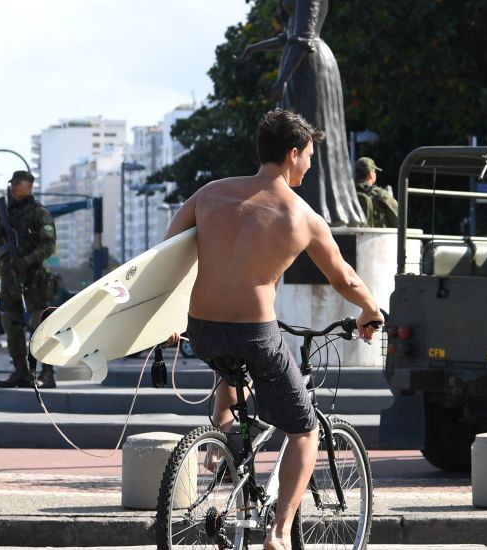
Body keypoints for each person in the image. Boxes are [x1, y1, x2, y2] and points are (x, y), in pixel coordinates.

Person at [163, 110, 383, 550]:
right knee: (304, 429)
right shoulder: (301, 215)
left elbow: (167, 256)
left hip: (202, 330)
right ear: (292, 154)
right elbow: (343, 278)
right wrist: (370, 311)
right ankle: (280, 532)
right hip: (257, 334)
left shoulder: (208, 195)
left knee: (227, 370)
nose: (310, 166)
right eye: (309, 157)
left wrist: (167, 317)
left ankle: (222, 441)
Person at [237, 0, 365, 226]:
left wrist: (281, 80)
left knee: (308, 134)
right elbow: (288, 37)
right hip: (298, 65)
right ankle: (299, 205)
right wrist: (254, 48)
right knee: (294, 135)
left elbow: (305, 38)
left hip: (309, 66)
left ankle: (325, 209)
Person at [0, 170, 57, 389]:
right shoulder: (5, 213)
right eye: (12, 184)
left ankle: (47, 372)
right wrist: (1, 243)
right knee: (11, 322)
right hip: (10, 278)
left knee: (39, 325)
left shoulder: (39, 213)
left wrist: (24, 262)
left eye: (18, 183)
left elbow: (48, 245)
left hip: (33, 278)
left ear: (30, 185)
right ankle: (21, 371)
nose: (13, 187)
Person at [353, 157, 398, 228]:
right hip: (377, 237)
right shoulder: (382, 195)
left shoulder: (348, 194)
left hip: (349, 237)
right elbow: (399, 220)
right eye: (375, 171)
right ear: (371, 174)